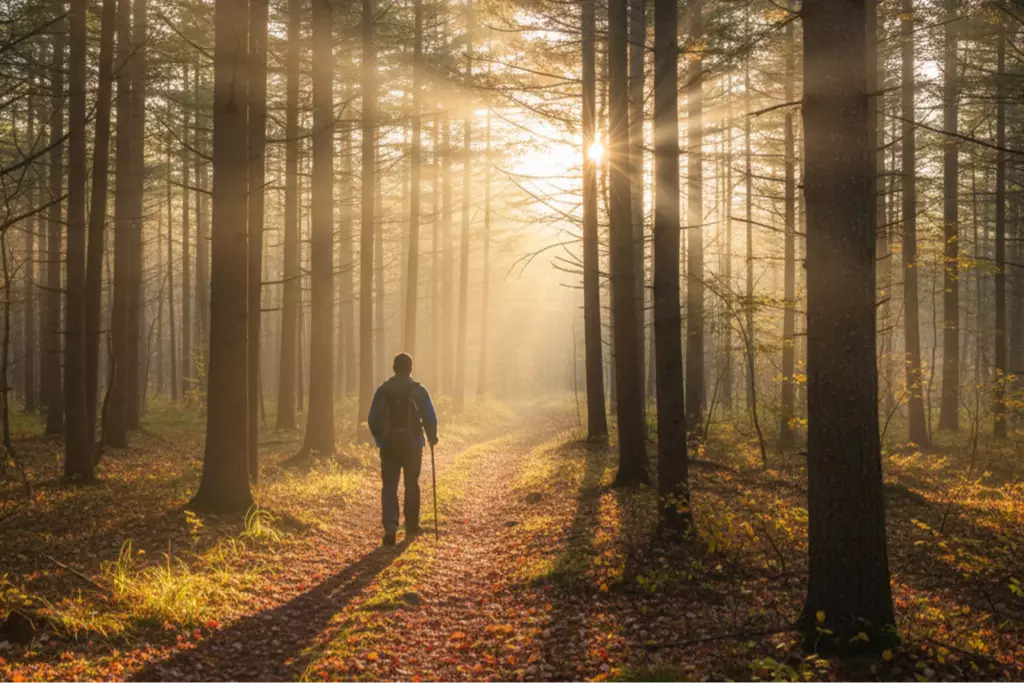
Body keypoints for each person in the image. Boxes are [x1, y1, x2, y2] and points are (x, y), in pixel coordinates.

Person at [367, 353, 438, 546]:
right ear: (410, 368)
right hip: (413, 445)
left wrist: (380, 439)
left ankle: (390, 529)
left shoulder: (383, 391)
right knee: (411, 483)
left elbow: (372, 419)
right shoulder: (418, 390)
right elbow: (430, 416)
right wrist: (432, 437)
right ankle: (412, 525)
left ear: (394, 368)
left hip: (389, 446)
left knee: (389, 486)